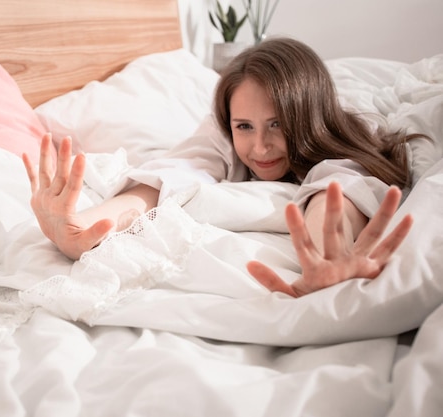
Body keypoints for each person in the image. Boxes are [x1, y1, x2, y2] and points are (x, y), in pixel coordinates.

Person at [23, 37, 422, 297]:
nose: (260, 146)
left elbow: (336, 190)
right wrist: (87, 225)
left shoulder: (336, 141)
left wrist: (324, 257)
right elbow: (175, 176)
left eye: (278, 124)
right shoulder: (222, 132)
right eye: (244, 126)